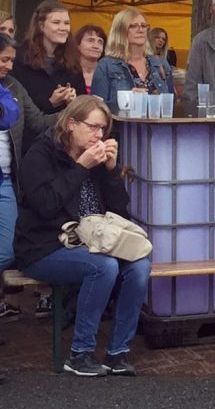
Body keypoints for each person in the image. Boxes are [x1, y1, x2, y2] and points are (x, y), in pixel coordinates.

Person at [14, 96, 148, 376]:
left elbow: (118, 211)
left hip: (94, 240)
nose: (99, 135)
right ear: (72, 124)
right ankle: (80, 353)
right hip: (44, 246)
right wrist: (81, 167)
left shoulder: (95, 155)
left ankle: (117, 353)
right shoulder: (41, 153)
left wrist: (111, 172)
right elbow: (45, 205)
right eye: (94, 127)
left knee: (139, 264)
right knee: (103, 266)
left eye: (104, 129)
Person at [91, 9, 174, 114]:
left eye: (144, 26)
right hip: (122, 128)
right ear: (120, 31)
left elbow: (171, 103)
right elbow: (96, 108)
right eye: (133, 26)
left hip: (158, 129)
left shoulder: (161, 64)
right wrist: (127, 100)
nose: (140, 30)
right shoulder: (106, 65)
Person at [11, 0, 81, 117]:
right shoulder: (20, 58)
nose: (63, 28)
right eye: (56, 22)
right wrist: (50, 103)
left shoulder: (73, 59)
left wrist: (73, 100)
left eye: (66, 23)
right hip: (29, 132)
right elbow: (16, 104)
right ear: (41, 25)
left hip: (63, 130)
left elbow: (82, 100)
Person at [0, 36, 25, 322]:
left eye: (11, 60)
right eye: (4, 59)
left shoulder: (6, 89)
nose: (9, 66)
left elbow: (11, 114)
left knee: (8, 250)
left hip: (4, 180)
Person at [65, 24, 106, 95]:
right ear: (77, 45)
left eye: (100, 42)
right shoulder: (67, 72)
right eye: (90, 40)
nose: (96, 46)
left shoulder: (107, 75)